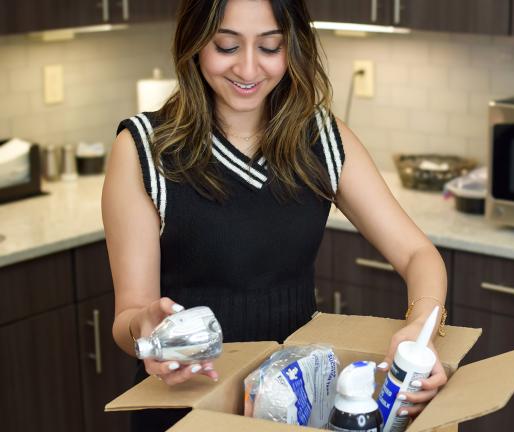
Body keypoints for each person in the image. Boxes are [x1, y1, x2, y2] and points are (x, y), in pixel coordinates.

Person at [102, 0, 448, 430]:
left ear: (293, 48)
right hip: (185, 408)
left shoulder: (322, 138)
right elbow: (128, 316)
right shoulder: (144, 149)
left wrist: (421, 328)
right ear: (192, 44)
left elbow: (418, 253)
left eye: (269, 48)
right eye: (226, 46)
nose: (249, 70)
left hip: (296, 405)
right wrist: (146, 331)